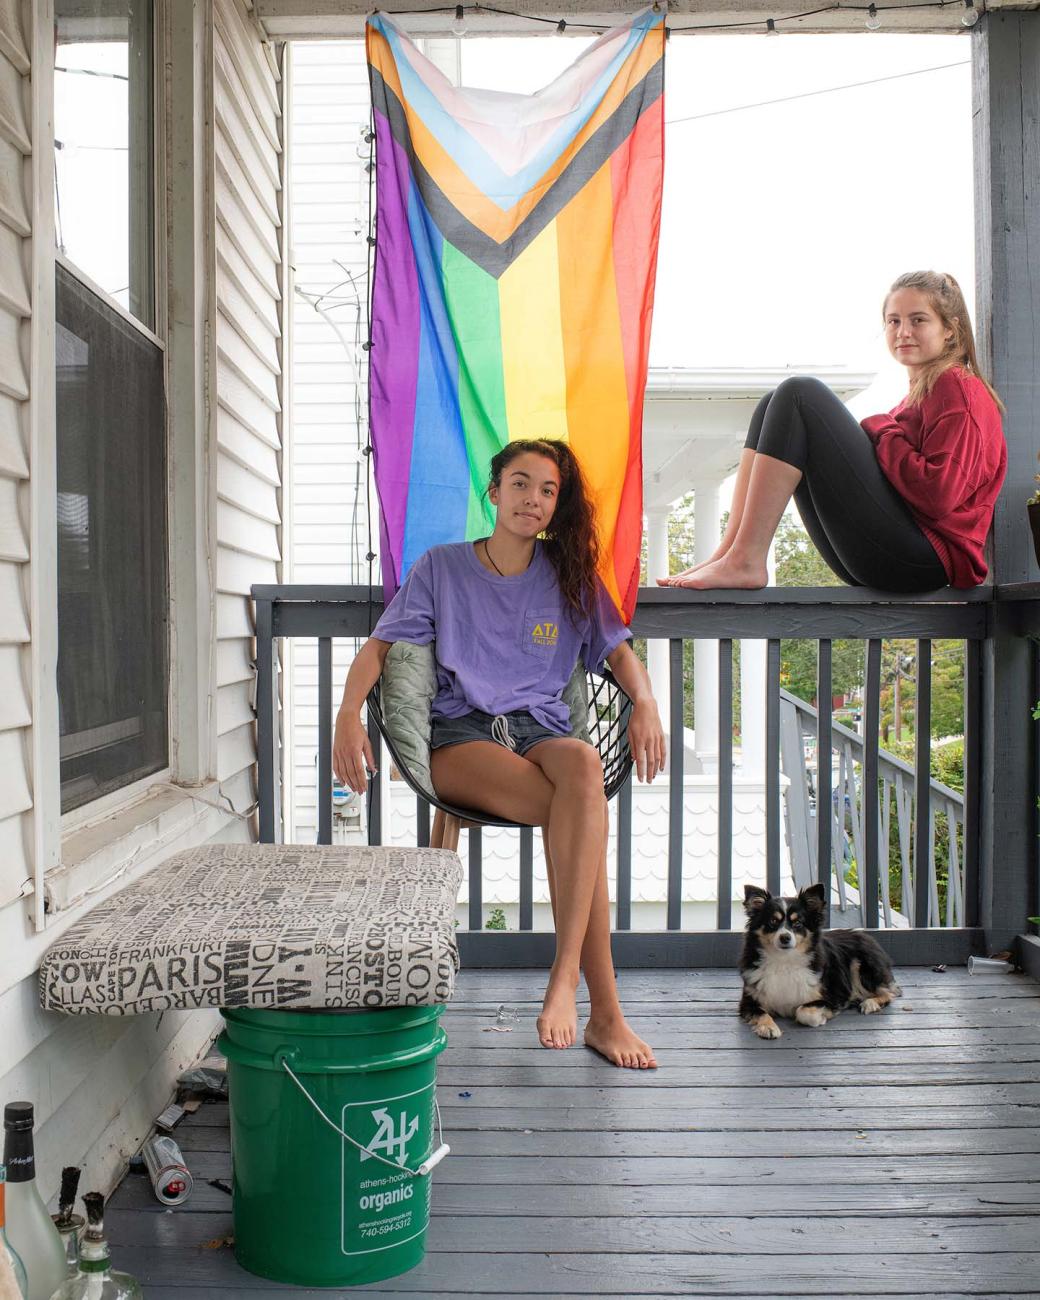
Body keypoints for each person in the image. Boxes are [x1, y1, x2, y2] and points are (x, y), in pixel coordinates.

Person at [333, 439, 667, 1070]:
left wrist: (646, 703)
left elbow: (618, 651)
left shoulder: (569, 576)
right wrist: (348, 715)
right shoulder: (442, 567)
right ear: (493, 491)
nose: (533, 499)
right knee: (582, 816)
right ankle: (604, 1010)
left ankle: (568, 977)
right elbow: (379, 647)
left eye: (547, 491)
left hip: (540, 732)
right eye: (520, 483)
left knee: (584, 769)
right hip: (464, 736)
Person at [658, 271, 1007, 592]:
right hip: (891, 555)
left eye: (918, 320)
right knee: (773, 405)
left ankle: (745, 560)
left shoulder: (958, 387)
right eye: (893, 321)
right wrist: (887, 432)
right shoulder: (920, 394)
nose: (903, 332)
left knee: (800, 395)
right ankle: (730, 552)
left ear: (950, 329)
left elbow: (938, 494)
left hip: (924, 557)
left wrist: (883, 430)